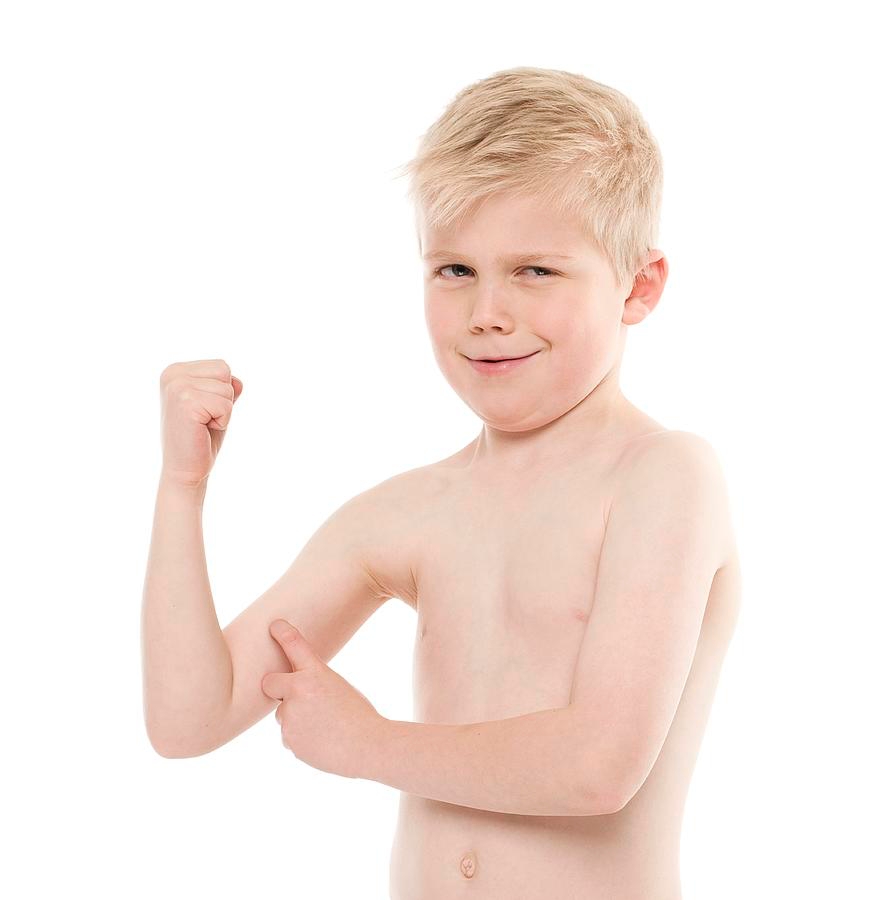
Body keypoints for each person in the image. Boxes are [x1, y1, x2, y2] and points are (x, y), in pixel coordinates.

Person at [142, 65, 741, 899]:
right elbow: (188, 720)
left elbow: (600, 765)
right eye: (454, 269)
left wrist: (366, 744)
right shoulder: (409, 512)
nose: (486, 311)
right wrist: (182, 488)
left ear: (638, 285)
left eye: (536, 270)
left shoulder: (663, 478)